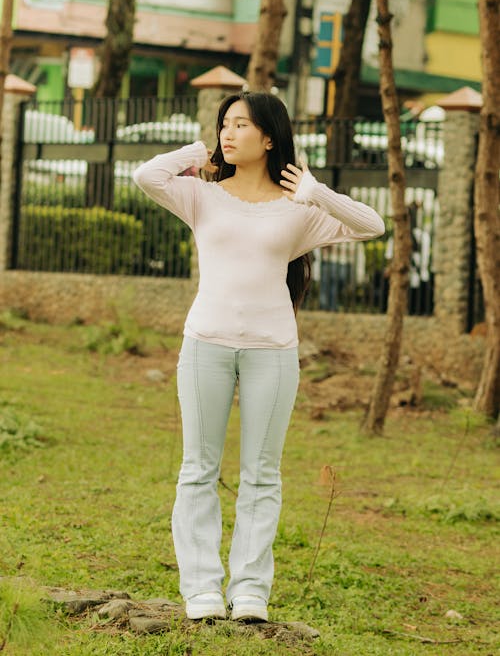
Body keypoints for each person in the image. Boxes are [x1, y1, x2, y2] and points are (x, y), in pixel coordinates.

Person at [133, 91, 385, 623]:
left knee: (262, 475)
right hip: (206, 344)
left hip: (273, 351)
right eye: (225, 123)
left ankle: (250, 592)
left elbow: (371, 225)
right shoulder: (203, 195)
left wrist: (318, 192)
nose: (228, 132)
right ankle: (201, 589)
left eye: (240, 125)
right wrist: (195, 152)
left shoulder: (298, 208)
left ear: (270, 137)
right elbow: (147, 177)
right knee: (198, 469)